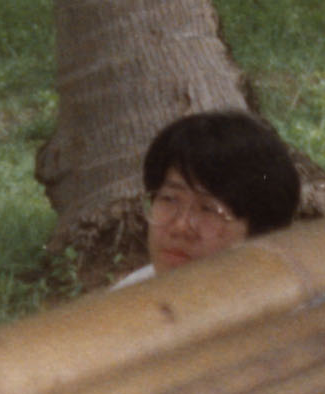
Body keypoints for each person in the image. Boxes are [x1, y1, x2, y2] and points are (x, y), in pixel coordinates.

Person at [114, 110, 302, 287]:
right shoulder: (128, 295)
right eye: (169, 199)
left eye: (208, 209)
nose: (180, 227)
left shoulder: (295, 307)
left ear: (262, 234)